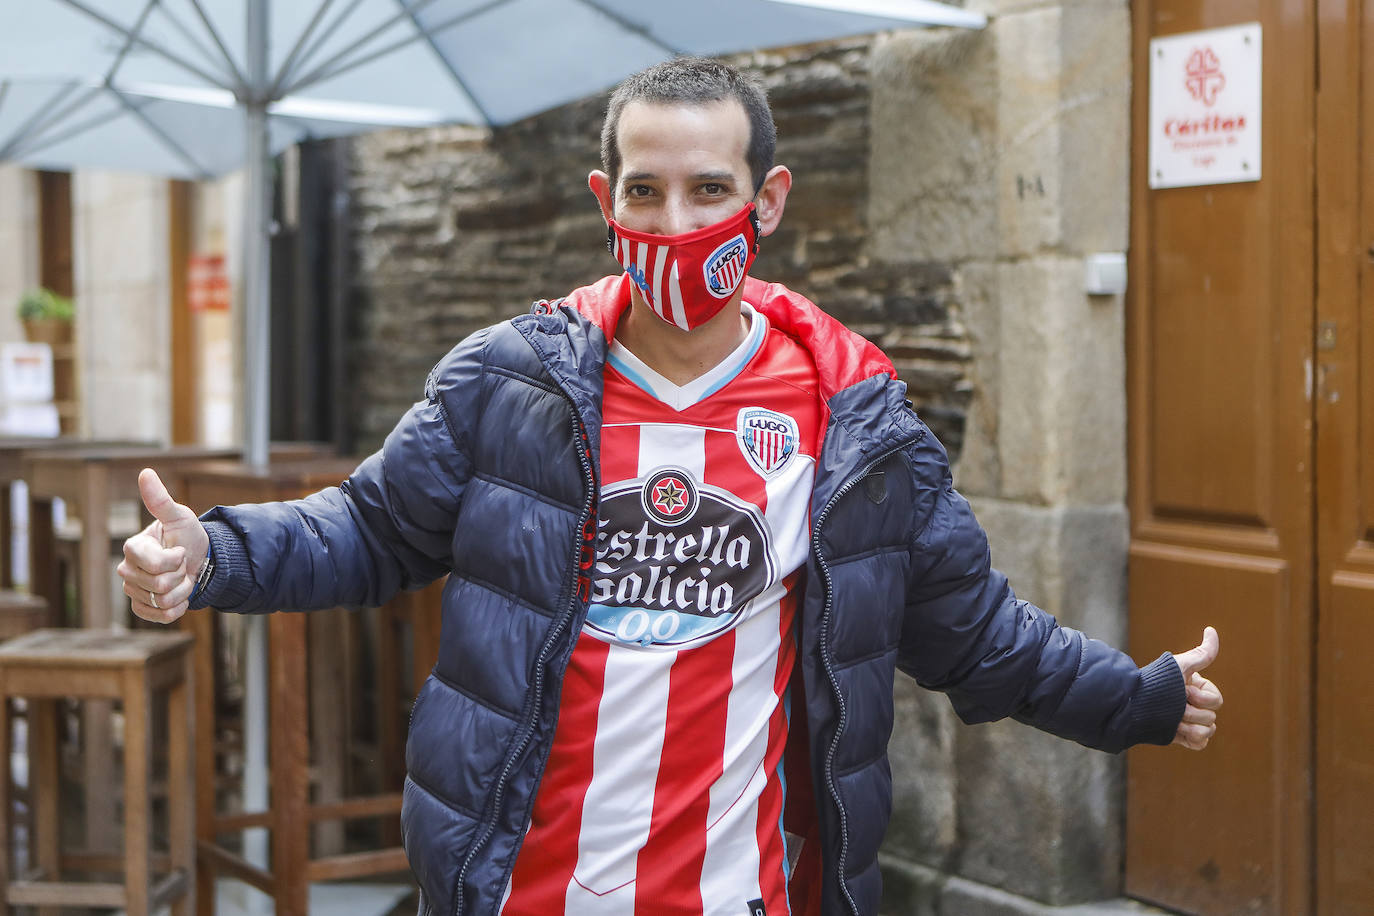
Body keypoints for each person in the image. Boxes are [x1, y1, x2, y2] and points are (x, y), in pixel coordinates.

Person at [119, 57, 1222, 916]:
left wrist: (1138, 698)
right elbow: (368, 527)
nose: (676, 224)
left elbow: (974, 636)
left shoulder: (853, 422)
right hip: (513, 886)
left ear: (768, 199)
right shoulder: (511, 381)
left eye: (710, 190)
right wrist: (213, 554)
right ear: (607, 197)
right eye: (645, 191)